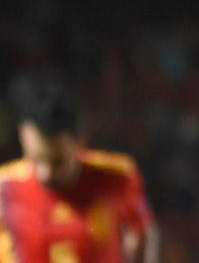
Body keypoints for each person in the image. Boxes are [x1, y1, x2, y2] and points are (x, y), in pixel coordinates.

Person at [0, 80, 158, 263]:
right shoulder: (6, 186)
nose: (46, 172)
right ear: (23, 140)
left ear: (80, 141)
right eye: (36, 159)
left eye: (57, 161)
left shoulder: (117, 177)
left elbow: (141, 232)